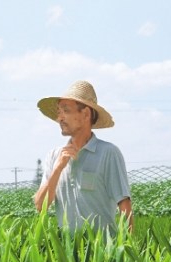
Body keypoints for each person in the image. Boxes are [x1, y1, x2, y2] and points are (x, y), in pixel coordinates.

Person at [34, 80, 133, 236]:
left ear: (86, 113)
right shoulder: (54, 156)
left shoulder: (108, 153)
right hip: (67, 252)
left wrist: (127, 249)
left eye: (65, 111)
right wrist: (58, 168)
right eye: (59, 112)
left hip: (102, 251)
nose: (60, 118)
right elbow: (40, 206)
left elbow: (124, 205)